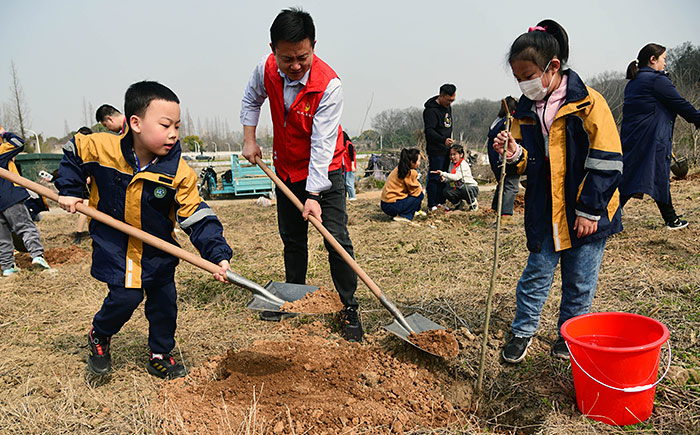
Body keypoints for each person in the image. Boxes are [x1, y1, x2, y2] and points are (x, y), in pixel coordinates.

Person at [57, 81, 233, 379]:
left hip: (157, 247)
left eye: (177, 125)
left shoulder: (178, 173)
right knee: (126, 297)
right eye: (165, 125)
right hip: (114, 243)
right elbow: (73, 150)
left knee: (164, 301)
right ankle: (99, 334)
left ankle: (160, 353)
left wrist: (217, 253)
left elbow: (196, 215)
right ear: (135, 123)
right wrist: (71, 189)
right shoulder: (102, 147)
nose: (174, 133)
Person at [493, 20, 622, 363]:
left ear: (552, 67)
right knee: (536, 272)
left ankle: (570, 335)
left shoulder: (588, 103)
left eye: (528, 75)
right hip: (544, 208)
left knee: (579, 280)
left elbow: (607, 159)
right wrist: (513, 153)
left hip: (585, 209)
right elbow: (528, 163)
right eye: (518, 78)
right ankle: (522, 331)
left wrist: (590, 210)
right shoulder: (523, 111)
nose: (524, 84)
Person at [239, 8, 362, 341]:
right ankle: (292, 296)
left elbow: (323, 145)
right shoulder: (266, 69)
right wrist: (250, 139)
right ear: (273, 50)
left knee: (335, 238)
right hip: (285, 168)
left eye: (302, 58)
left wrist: (314, 195)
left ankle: (348, 305)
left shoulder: (328, 85)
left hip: (328, 170)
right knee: (292, 238)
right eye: (286, 58)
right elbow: (251, 99)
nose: (294, 66)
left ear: (314, 46)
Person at [619, 43, 700, 230]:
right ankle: (607, 216)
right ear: (652, 59)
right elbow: (680, 103)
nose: (665, 63)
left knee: (641, 176)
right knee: (644, 178)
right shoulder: (656, 80)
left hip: (634, 137)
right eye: (664, 59)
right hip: (651, 138)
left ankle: (670, 218)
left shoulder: (634, 82)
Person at [0, 126, 52, 276]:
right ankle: (37, 256)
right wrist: (4, 133)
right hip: (10, 197)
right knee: (26, 227)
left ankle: (8, 267)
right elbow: (18, 142)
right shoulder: (2, 151)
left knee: (2, 237)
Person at [423, 84, 456, 211]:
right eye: (448, 100)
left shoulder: (448, 108)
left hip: (447, 149)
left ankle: (441, 202)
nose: (450, 103)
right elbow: (429, 131)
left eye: (452, 100)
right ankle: (432, 204)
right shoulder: (430, 111)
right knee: (435, 177)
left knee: (444, 177)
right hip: (436, 150)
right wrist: (443, 140)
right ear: (441, 96)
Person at [487, 96, 520, 219]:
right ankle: (505, 212)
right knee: (511, 183)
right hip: (503, 156)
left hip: (494, 157)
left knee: (502, 182)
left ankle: (495, 208)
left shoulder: (497, 121)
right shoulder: (508, 122)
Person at [380, 148, 424, 222]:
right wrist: (420, 188)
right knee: (420, 195)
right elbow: (416, 192)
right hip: (392, 205)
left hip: (385, 204)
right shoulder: (410, 172)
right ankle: (404, 216)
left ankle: (409, 212)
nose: (419, 163)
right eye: (418, 161)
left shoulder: (400, 168)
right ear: (412, 162)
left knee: (415, 195)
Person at [432, 144, 479, 211]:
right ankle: (459, 204)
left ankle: (473, 204)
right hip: (458, 188)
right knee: (447, 191)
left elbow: (456, 177)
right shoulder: (451, 165)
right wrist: (444, 179)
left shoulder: (463, 164)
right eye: (451, 155)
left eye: (454, 154)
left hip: (470, 187)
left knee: (465, 189)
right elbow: (450, 178)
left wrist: (443, 173)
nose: (452, 157)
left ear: (461, 155)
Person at [342, 131, 357, 201]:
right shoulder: (343, 146)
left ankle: (353, 196)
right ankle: (349, 196)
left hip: (350, 167)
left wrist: (353, 166)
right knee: (345, 182)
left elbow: (352, 156)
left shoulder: (349, 145)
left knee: (349, 182)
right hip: (345, 167)